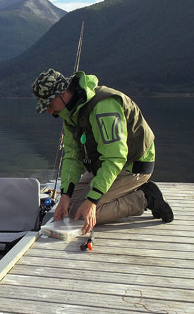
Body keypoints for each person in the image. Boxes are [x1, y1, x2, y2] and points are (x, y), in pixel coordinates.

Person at [32, 69, 173, 234]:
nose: (49, 111)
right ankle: (118, 192)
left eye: (49, 104)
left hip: (133, 164)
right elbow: (72, 157)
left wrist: (92, 201)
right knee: (69, 207)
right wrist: (65, 195)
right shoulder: (69, 115)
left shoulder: (104, 107)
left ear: (62, 94)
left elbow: (115, 157)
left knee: (82, 213)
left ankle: (145, 198)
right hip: (105, 165)